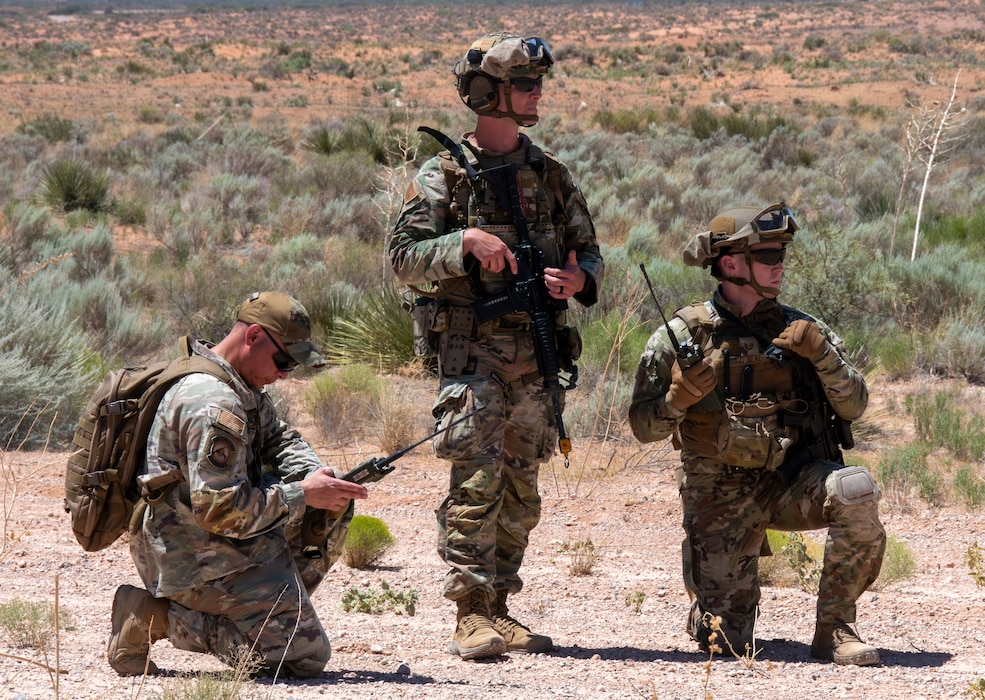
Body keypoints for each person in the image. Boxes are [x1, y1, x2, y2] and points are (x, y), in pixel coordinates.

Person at [389, 32, 603, 659]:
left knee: (520, 489)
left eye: (538, 82)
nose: (538, 93)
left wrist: (579, 278)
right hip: (473, 353)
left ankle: (501, 606)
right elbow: (403, 259)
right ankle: (469, 613)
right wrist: (466, 245)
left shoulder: (552, 176)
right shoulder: (443, 178)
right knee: (476, 485)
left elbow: (587, 250)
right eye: (525, 83)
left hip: (535, 358)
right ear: (488, 93)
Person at [628, 203, 886, 666]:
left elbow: (856, 405)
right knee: (726, 645)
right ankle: (707, 594)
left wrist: (822, 355)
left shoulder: (805, 328)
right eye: (768, 255)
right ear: (730, 264)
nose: (780, 263)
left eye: (782, 253)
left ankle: (836, 628)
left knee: (856, 487)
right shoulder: (680, 335)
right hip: (720, 494)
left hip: (792, 482)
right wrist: (677, 401)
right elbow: (642, 427)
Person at [107, 291, 369, 678]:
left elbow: (278, 438)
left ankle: (267, 613)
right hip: (188, 555)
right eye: (283, 360)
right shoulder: (213, 403)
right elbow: (220, 509)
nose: (284, 373)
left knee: (329, 503)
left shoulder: (239, 384)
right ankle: (153, 617)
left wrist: (317, 475)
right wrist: (302, 493)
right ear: (254, 337)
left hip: (212, 539)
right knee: (304, 658)